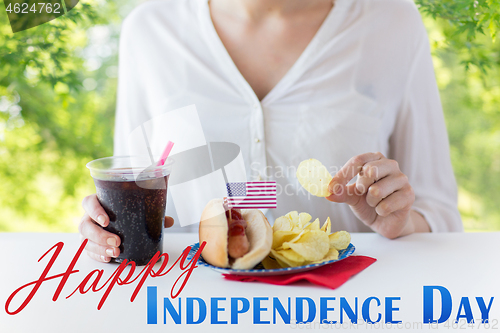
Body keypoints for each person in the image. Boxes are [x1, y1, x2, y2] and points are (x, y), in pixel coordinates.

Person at [79, 0, 463, 263]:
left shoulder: (391, 23)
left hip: (348, 311)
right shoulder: (150, 32)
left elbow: (439, 211)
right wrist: (107, 232)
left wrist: (402, 223)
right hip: (191, 312)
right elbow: (131, 191)